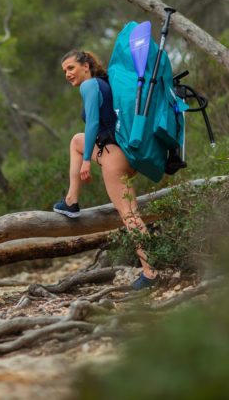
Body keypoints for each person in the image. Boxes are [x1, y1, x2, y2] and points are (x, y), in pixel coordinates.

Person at [52, 50, 157, 291]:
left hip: (112, 159)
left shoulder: (89, 86)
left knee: (130, 217)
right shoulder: (104, 84)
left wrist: (87, 160)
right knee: (75, 141)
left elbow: (93, 124)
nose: (67, 74)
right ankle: (71, 200)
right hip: (124, 156)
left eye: (71, 68)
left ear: (86, 65)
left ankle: (151, 273)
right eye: (64, 71)